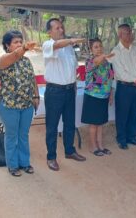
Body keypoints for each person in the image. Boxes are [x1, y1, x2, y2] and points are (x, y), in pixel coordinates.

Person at [43, 18, 86, 171]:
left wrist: (74, 83)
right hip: (55, 91)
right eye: (57, 28)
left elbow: (73, 68)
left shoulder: (68, 48)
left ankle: (69, 150)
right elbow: (57, 45)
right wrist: (71, 40)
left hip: (69, 89)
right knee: (52, 126)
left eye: (62, 27)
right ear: (49, 32)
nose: (61, 30)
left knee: (70, 123)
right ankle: (51, 157)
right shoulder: (48, 44)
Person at [0, 30, 39, 177]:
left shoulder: (26, 61)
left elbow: (33, 80)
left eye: (21, 42)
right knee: (12, 135)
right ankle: (13, 165)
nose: (19, 44)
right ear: (7, 46)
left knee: (23, 135)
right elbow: (15, 55)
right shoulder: (2, 60)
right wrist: (25, 48)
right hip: (9, 106)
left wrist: (36, 96)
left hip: (26, 105)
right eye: (16, 42)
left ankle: (25, 163)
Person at [108, 24, 136, 150]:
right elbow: (120, 72)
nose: (129, 35)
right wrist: (135, 79)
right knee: (122, 115)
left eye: (130, 32)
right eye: (126, 33)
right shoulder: (115, 52)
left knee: (135, 113)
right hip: (124, 87)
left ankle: (132, 136)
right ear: (120, 35)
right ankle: (121, 139)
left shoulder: (134, 48)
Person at [81, 38, 114, 156]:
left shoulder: (107, 63)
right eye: (96, 47)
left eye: (100, 46)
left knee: (101, 123)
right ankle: (92, 146)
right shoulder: (90, 61)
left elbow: (110, 79)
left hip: (104, 97)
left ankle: (100, 145)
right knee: (94, 123)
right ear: (91, 50)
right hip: (92, 96)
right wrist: (105, 56)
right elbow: (97, 61)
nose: (99, 48)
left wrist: (110, 93)